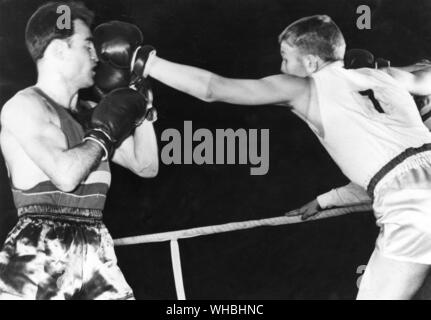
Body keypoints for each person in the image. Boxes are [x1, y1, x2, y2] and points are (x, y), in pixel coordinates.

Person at [126, 15, 431, 299]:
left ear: (310, 61)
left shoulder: (304, 87)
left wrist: (145, 62)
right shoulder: (384, 75)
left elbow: (212, 88)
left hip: (410, 204)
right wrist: (326, 200)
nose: (283, 68)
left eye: (286, 58)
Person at [0, 2, 158, 300]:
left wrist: (142, 108)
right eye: (87, 46)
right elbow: (65, 175)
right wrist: (103, 132)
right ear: (59, 50)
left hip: (95, 245)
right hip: (40, 253)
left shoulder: (94, 113)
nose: (97, 55)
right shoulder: (25, 106)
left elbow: (145, 165)